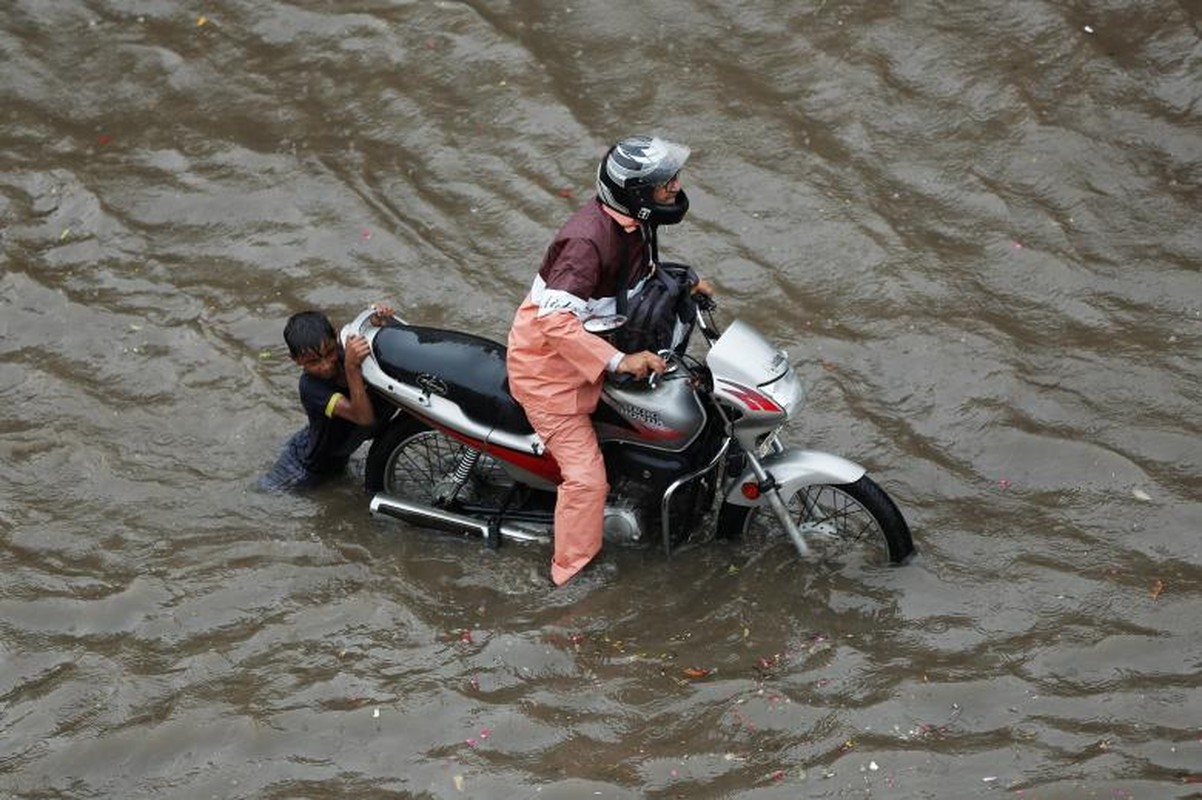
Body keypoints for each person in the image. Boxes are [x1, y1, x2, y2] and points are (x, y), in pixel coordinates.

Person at [507, 135, 713, 586]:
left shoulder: (633, 226)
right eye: (665, 184)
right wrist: (619, 361)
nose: (675, 188)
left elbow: (638, 281)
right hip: (551, 374)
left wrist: (686, 285)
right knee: (587, 481)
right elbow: (555, 323)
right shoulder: (587, 241)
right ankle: (569, 575)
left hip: (592, 348)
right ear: (638, 195)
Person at [260, 305, 394, 491]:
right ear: (295, 360)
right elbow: (364, 419)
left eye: (330, 353)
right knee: (266, 494)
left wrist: (379, 322)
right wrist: (351, 368)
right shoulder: (310, 387)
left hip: (322, 443)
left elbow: (370, 338)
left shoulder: (344, 352)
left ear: (336, 338)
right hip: (305, 468)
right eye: (313, 362)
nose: (325, 365)